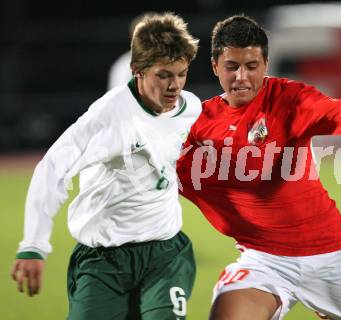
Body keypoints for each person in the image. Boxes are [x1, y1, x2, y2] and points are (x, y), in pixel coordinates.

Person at [177, 15, 341, 320]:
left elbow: (329, 110)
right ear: (216, 66)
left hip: (333, 256)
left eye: (251, 66)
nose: (241, 77)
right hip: (265, 261)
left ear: (266, 64)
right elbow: (167, 167)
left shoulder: (287, 99)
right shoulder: (199, 124)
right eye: (232, 67)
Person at [11, 12, 201, 320]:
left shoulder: (192, 108)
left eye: (181, 74)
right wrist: (33, 244)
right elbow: (53, 168)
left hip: (166, 255)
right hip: (103, 260)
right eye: (164, 75)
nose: (174, 85)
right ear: (137, 69)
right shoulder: (108, 116)